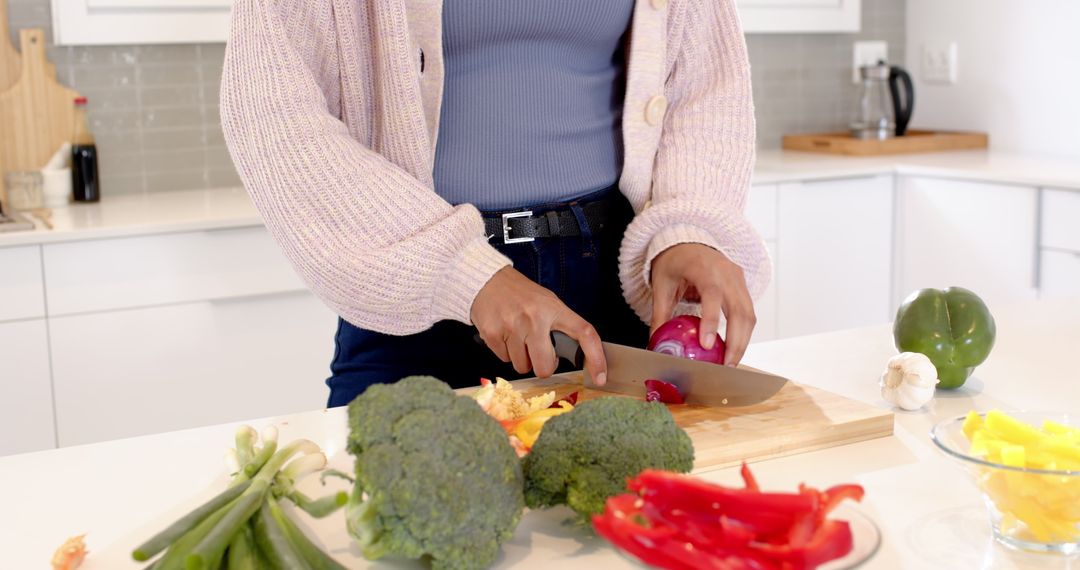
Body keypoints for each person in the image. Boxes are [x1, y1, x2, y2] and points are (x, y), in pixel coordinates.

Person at [221, 0, 771, 407]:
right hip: (419, 300)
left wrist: (688, 229)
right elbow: (274, 114)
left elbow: (704, 84)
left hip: (613, 290)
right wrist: (462, 273)